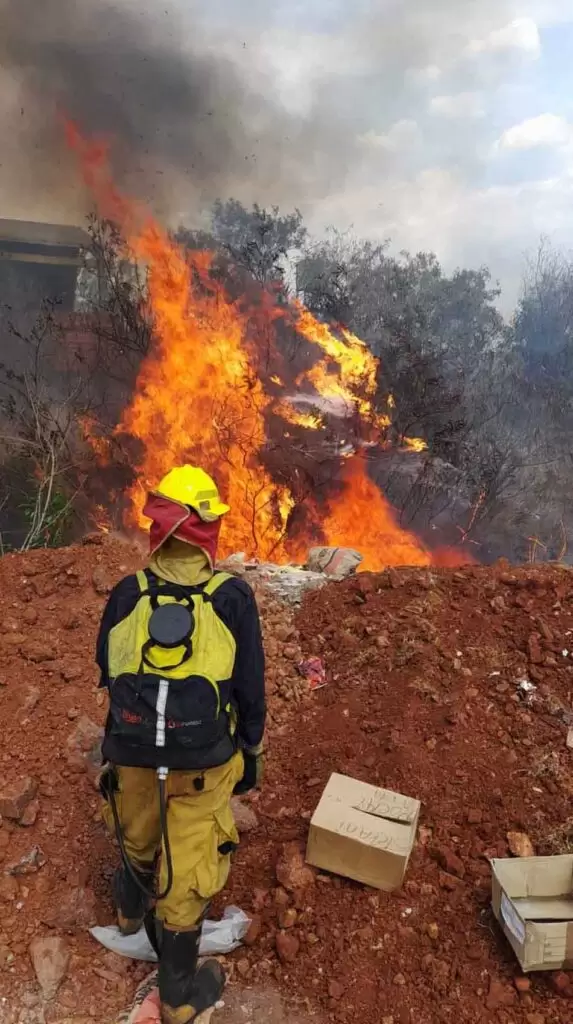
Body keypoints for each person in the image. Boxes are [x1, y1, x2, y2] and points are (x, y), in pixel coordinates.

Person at [95, 466, 265, 1024]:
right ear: (207, 532)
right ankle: (177, 999)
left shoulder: (129, 592)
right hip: (202, 763)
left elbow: (107, 670)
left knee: (136, 832)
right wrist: (251, 753)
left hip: (131, 754)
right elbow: (250, 691)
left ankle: (128, 916)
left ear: (160, 529)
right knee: (190, 865)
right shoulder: (232, 597)